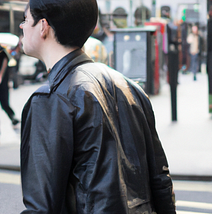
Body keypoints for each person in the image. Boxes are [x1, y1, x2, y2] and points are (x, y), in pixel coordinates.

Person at [19, 0, 176, 213]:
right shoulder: (129, 86)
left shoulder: (52, 99)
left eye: (26, 19)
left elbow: (41, 207)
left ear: (44, 27)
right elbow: (160, 181)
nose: (22, 26)